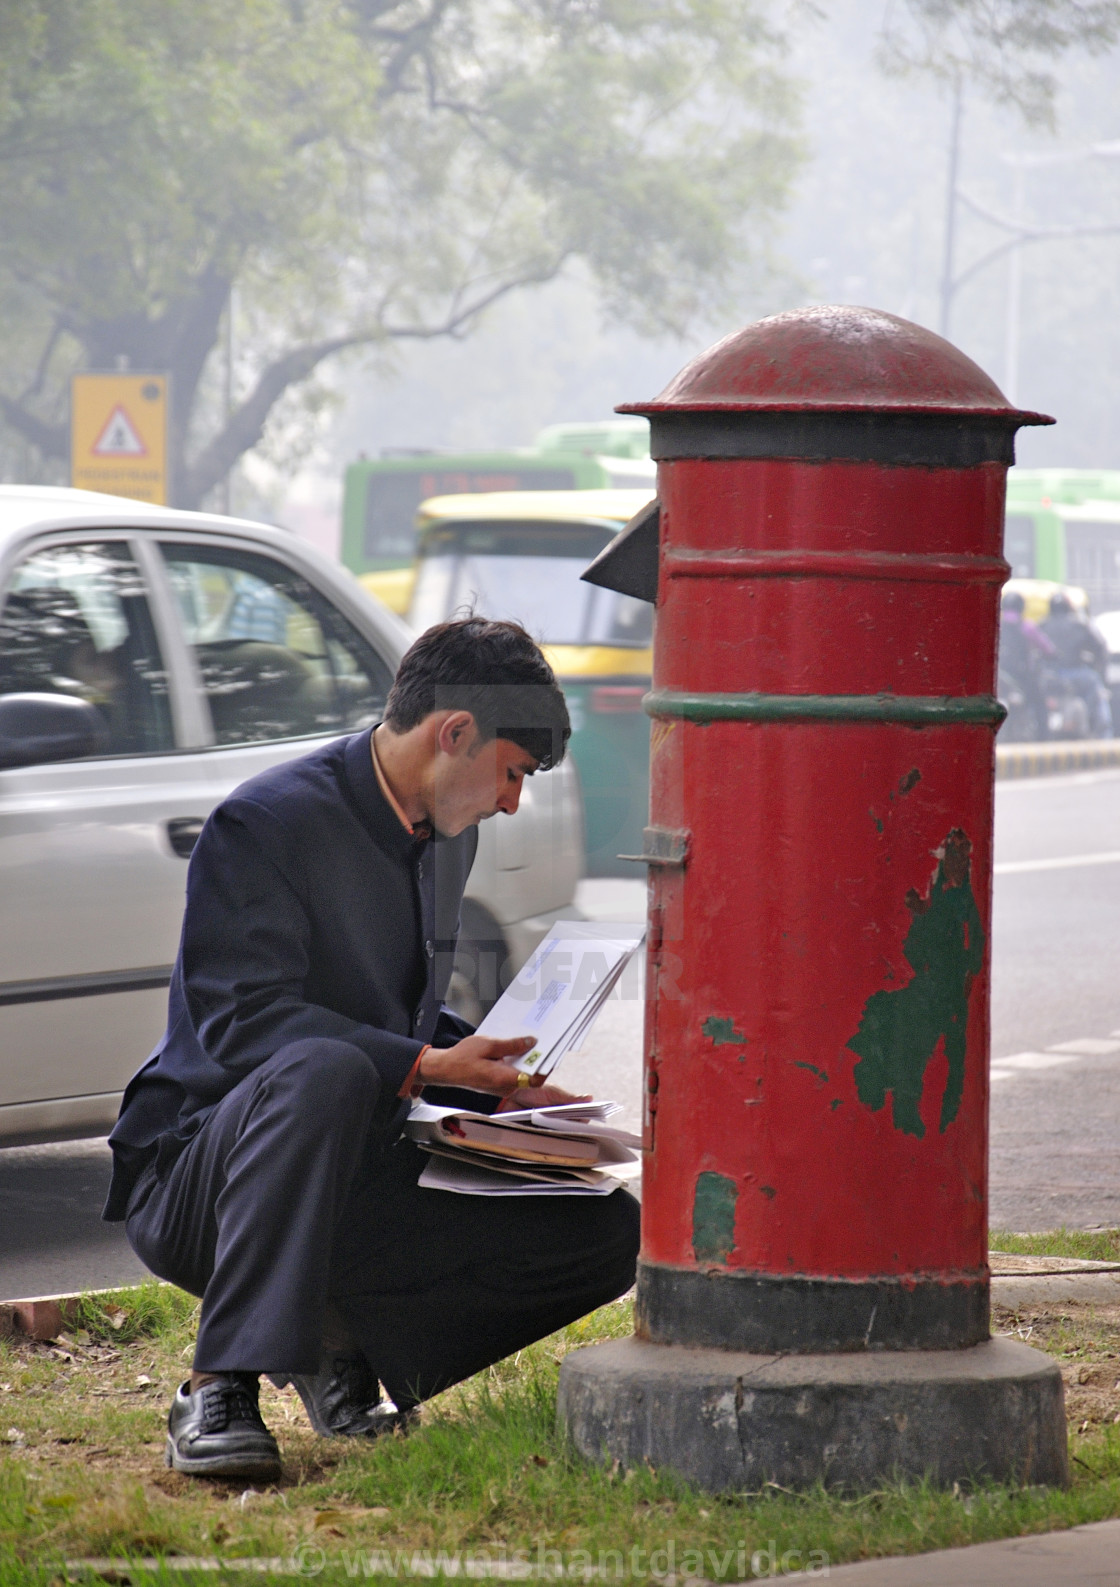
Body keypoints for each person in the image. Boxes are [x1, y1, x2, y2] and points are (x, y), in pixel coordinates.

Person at [103, 616, 640, 1480]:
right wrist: (426, 1066)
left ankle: (341, 1347)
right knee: (327, 1069)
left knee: (604, 1230)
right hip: (204, 1175)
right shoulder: (264, 822)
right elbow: (244, 1025)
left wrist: (493, 1083)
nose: (512, 802)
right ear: (453, 733)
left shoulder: (446, 839)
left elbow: (405, 1022)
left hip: (350, 1171)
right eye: (513, 772)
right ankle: (216, 1386)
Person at [1039, 591, 1113, 739]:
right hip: (1077, 674)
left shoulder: (1042, 625)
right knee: (1098, 693)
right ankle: (1105, 736)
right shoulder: (1079, 624)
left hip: (1049, 677)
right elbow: (1100, 647)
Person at [998, 590, 1054, 741]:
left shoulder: (996, 624)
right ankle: (1044, 738)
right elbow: (1047, 648)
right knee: (1039, 703)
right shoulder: (1027, 626)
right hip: (1022, 676)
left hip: (998, 675)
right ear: (1021, 608)